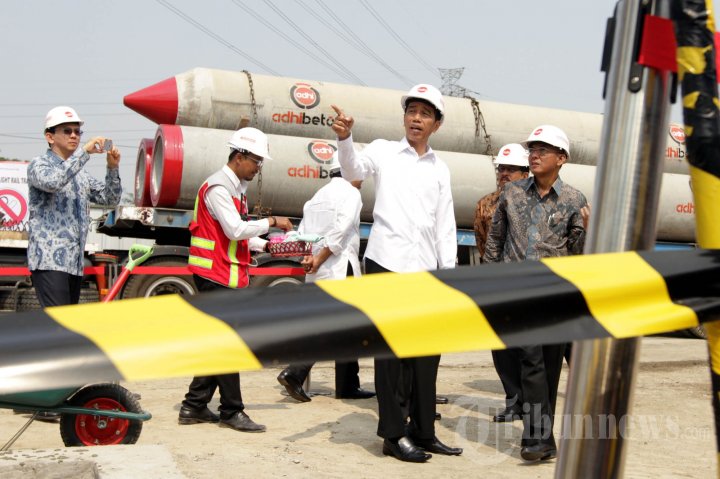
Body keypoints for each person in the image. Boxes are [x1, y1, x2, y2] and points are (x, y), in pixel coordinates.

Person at [330, 84, 462, 463]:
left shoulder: (439, 168)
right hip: (387, 264)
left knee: (426, 356)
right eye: (411, 111)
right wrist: (345, 138)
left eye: (425, 114)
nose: (416, 119)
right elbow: (353, 170)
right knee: (389, 357)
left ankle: (423, 431)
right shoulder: (383, 150)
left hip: (426, 271)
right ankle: (392, 434)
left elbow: (445, 225)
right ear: (404, 117)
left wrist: (449, 274)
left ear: (436, 124)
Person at [484, 125, 590, 462]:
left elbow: (578, 254)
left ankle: (544, 439)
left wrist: (586, 230)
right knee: (531, 363)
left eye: (543, 150)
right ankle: (534, 438)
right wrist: (487, 283)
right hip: (519, 293)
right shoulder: (512, 193)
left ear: (561, 158)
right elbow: (495, 240)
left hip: (554, 296)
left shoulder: (574, 200)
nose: (534, 155)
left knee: (549, 368)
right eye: (532, 149)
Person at [178, 127, 293, 433]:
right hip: (213, 276)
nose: (258, 168)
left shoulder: (235, 189)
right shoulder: (218, 188)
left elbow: (237, 236)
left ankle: (194, 405)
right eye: (256, 161)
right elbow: (234, 229)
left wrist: (267, 246)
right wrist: (271, 222)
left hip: (223, 274)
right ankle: (231, 410)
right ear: (239, 156)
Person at [276, 159, 375, 403]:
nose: (362, 179)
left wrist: (311, 259)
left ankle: (348, 384)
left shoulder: (316, 197)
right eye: (359, 172)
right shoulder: (351, 194)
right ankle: (296, 371)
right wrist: (319, 258)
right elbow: (340, 232)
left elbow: (303, 235)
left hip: (318, 270)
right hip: (340, 267)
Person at [28, 106, 122, 308]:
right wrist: (84, 152)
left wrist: (112, 168)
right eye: (67, 131)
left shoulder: (80, 174)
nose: (74, 136)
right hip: (49, 261)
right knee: (58, 322)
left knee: (66, 323)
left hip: (74, 264)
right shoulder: (39, 165)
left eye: (77, 132)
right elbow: (53, 182)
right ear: (50, 137)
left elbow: (110, 199)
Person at [473, 144, 529, 423]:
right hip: (499, 282)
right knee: (503, 346)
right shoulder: (485, 205)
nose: (504, 173)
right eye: (501, 169)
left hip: (530, 283)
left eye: (511, 169)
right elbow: (482, 242)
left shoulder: (536, 202)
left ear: (525, 173)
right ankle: (515, 402)